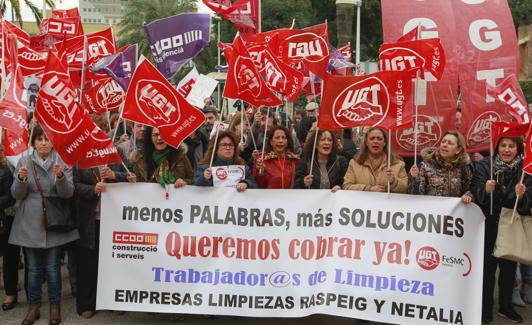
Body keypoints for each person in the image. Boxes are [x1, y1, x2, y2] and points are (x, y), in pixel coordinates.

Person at [10, 125, 78, 325]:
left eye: (47, 139)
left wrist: (60, 177)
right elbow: (16, 194)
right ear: (34, 142)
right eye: (39, 139)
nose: (43, 143)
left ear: (53, 142)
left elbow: (68, 193)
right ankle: (34, 307)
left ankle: (54, 305)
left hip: (54, 221)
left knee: (53, 267)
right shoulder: (24, 160)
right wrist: (21, 179)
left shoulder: (61, 160)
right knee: (33, 268)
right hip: (30, 221)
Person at [471, 136, 531, 324]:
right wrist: (486, 190)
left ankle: (506, 307)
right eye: (503, 145)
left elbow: (529, 199)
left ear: (518, 148)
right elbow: (475, 189)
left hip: (511, 224)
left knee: (509, 268)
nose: (506, 150)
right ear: (496, 148)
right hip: (488, 224)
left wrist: (521, 195)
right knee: (487, 269)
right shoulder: (485, 165)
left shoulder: (525, 170)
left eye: (511, 146)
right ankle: (484, 308)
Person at [73, 164, 131, 318]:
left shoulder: (114, 155)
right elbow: (73, 185)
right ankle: (87, 304)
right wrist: (92, 189)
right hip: (89, 220)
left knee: (112, 262)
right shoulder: (80, 160)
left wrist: (115, 176)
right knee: (88, 264)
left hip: (113, 219)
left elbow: (129, 176)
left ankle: (113, 301)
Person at [408, 130, 473, 202]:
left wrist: (468, 195)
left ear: (458, 149)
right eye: (443, 141)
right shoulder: (425, 165)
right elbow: (415, 196)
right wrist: (414, 179)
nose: (445, 145)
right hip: (430, 211)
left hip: (454, 212)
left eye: (450, 143)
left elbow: (470, 189)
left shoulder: (464, 168)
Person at [343, 127, 407, 193]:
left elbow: (405, 189)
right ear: (366, 143)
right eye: (372, 138)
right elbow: (346, 186)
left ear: (384, 143)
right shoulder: (354, 163)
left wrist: (394, 182)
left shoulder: (398, 164)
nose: (375, 141)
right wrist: (368, 189)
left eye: (379, 139)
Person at [0, 145, 16, 311]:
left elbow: (10, 198)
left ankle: (10, 292)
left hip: (7, 219)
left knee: (9, 258)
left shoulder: (4, 171)